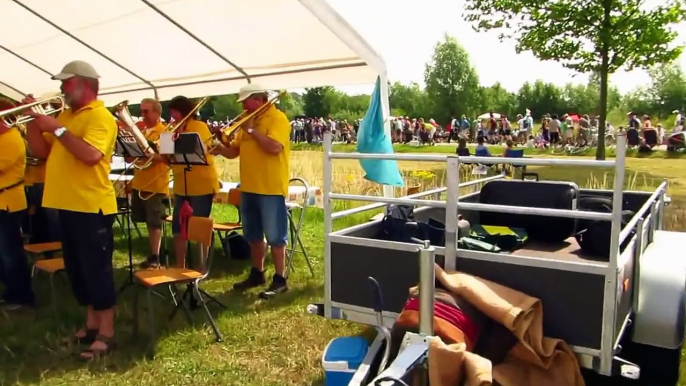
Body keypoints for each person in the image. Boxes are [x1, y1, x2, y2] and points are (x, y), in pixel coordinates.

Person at [23, 60, 117, 359]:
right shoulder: (65, 115)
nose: (61, 88)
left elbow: (90, 155)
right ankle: (91, 324)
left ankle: (107, 332)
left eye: (66, 83)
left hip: (91, 206)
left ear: (85, 84)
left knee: (97, 270)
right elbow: (41, 152)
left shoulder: (100, 116)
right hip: (65, 203)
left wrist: (58, 129)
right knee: (79, 270)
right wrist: (31, 123)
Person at [212, 83, 291, 299]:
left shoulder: (278, 119)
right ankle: (257, 273)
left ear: (259, 100)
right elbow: (234, 151)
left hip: (270, 187)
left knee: (275, 236)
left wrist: (250, 130)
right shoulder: (249, 121)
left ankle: (280, 279)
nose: (243, 106)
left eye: (246, 101)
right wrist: (220, 148)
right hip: (248, 186)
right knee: (253, 234)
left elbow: (274, 147)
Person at [166, 96, 220, 269]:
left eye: (174, 112)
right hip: (182, 184)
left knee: (199, 227)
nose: (172, 116)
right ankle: (180, 266)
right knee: (178, 227)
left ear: (181, 110)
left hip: (202, 184)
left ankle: (201, 266)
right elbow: (168, 157)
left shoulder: (200, 127)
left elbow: (203, 150)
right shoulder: (171, 129)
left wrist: (183, 137)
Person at [0, 98, 35, 311]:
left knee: (10, 253)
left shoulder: (11, 139)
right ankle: (10, 292)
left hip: (8, 203)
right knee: (3, 254)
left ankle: (22, 296)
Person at [128, 98, 170, 269]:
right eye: (141, 111)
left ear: (157, 113)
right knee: (146, 221)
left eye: (146, 111)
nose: (142, 115)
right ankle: (152, 254)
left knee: (154, 223)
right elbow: (137, 157)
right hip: (140, 182)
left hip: (156, 185)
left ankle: (156, 257)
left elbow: (168, 158)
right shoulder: (143, 132)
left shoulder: (167, 132)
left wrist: (147, 155)